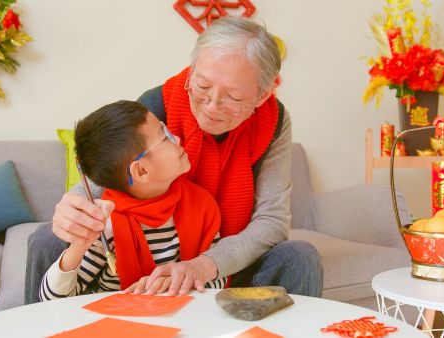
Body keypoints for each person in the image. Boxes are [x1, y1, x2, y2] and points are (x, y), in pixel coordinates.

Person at [25, 16, 323, 303]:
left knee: (300, 257)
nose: (211, 106)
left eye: (232, 97)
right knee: (46, 239)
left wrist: (204, 266)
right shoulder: (156, 106)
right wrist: (74, 205)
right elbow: (109, 169)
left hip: (225, 263)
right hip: (152, 265)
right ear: (192, 70)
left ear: (263, 95)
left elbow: (272, 221)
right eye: (203, 86)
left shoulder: (274, 121)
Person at [39, 100, 226, 300]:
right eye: (165, 138)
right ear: (141, 170)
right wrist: (79, 246)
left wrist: (181, 280)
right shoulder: (106, 224)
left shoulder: (201, 204)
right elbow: (52, 300)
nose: (178, 139)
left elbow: (219, 278)